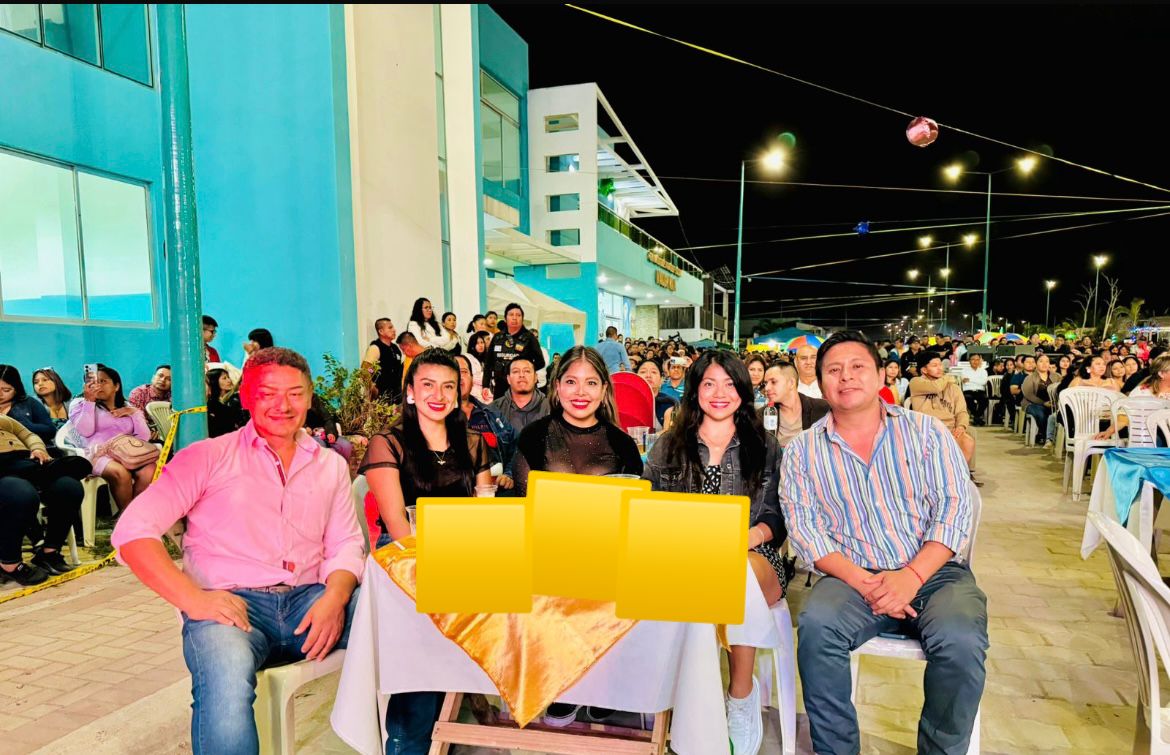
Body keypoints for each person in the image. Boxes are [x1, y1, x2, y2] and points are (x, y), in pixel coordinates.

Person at [112, 347, 364, 755]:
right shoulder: (208, 457)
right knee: (226, 681)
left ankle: (413, 742)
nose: (284, 406)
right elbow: (132, 533)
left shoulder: (329, 465)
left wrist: (336, 598)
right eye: (268, 393)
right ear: (246, 397)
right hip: (231, 608)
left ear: (309, 397)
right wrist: (194, 599)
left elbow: (345, 543)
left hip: (311, 602)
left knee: (399, 617)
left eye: (295, 394)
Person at [779, 331, 985, 755]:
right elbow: (805, 530)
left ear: (880, 376)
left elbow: (955, 509)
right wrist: (868, 583)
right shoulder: (803, 451)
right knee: (817, 628)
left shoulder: (926, 433)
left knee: (961, 641)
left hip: (934, 574)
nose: (846, 377)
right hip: (852, 578)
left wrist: (910, 577)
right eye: (834, 370)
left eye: (857, 367)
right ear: (820, 382)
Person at [642, 350, 786, 755]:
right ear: (695, 391)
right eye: (709, 384)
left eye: (729, 384)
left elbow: (778, 516)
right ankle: (692, 703)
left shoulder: (765, 446)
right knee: (698, 579)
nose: (719, 393)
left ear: (743, 390)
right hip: (686, 560)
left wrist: (747, 537)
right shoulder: (668, 446)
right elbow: (646, 506)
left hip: (755, 558)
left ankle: (740, 696)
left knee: (734, 571)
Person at [360, 349, 492, 753]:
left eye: (448, 386)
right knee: (420, 649)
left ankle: (473, 710)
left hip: (461, 554)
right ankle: (410, 741)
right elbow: (397, 527)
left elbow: (484, 514)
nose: (439, 395)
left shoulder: (472, 442)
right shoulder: (388, 442)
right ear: (411, 392)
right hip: (406, 559)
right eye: (428, 385)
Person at [511, 346, 641, 496]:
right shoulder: (532, 437)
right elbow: (525, 502)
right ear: (558, 386)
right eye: (571, 382)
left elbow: (632, 505)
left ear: (603, 389)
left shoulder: (624, 445)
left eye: (591, 383)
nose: (580, 392)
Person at [0, 414, 89, 583]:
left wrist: (38, 448)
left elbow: (28, 435)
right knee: (22, 494)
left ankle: (49, 553)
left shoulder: (3, 419)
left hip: (22, 459)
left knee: (69, 487)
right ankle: (9, 564)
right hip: (4, 473)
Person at [69, 364, 154, 511]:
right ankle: (127, 518)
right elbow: (85, 431)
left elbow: (144, 438)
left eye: (103, 381)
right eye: (93, 382)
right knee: (121, 473)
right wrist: (89, 402)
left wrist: (135, 413)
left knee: (149, 471)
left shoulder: (127, 406)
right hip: (98, 454)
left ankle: (135, 514)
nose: (97, 386)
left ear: (116, 386)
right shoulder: (80, 404)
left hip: (128, 453)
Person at [908, 354, 976, 465]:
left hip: (950, 429)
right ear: (924, 370)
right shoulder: (916, 382)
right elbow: (936, 387)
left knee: (967, 440)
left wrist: (961, 426)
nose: (940, 368)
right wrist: (948, 377)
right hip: (926, 429)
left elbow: (962, 411)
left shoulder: (953, 387)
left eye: (940, 365)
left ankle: (960, 472)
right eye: (934, 365)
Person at [481, 303, 545, 399]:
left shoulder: (529, 338)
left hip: (522, 386)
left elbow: (540, 362)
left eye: (518, 315)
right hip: (500, 387)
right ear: (505, 318)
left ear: (522, 319)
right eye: (511, 315)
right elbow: (488, 363)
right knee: (499, 408)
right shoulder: (497, 337)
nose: (514, 318)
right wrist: (485, 385)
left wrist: (524, 371)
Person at [762, 361, 830, 447]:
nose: (767, 388)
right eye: (765, 383)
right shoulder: (762, 415)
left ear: (791, 383)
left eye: (773, 382)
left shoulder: (822, 409)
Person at [0, 365, 57, 444]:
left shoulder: (29, 402)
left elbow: (50, 430)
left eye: (6, 390)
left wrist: (20, 426)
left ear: (16, 389)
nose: (0, 394)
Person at [363, 318, 405, 404]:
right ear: (381, 331)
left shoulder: (395, 348)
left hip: (396, 396)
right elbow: (366, 369)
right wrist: (372, 388)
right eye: (390, 328)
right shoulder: (375, 348)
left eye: (393, 327)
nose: (394, 330)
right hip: (380, 398)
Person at [1022, 354, 1057, 446]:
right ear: (1036, 364)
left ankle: (1055, 437)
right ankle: (1047, 437)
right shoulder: (1030, 378)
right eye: (1041, 361)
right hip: (1033, 403)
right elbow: (1028, 394)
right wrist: (1043, 403)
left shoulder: (1057, 376)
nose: (1044, 364)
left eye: (1047, 361)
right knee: (1041, 413)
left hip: (1052, 404)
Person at [635, 358, 678, 432]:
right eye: (643, 372)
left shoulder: (668, 403)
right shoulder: (626, 401)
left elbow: (667, 432)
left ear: (661, 379)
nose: (648, 375)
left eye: (654, 372)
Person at [206, 368, 248, 438]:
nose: (229, 380)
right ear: (215, 382)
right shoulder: (212, 405)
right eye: (224, 378)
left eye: (228, 377)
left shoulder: (234, 398)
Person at [960, 354, 989, 425]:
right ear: (969, 361)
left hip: (980, 391)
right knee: (968, 399)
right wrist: (978, 380)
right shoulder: (964, 371)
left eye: (977, 359)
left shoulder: (983, 371)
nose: (975, 361)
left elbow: (983, 382)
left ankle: (976, 417)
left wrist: (970, 379)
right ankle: (978, 418)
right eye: (973, 359)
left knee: (985, 399)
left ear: (979, 361)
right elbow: (966, 383)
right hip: (968, 391)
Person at [465, 330, 494, 402]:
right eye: (477, 343)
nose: (481, 345)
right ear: (472, 346)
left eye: (482, 342)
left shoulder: (486, 358)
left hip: (487, 389)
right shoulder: (468, 358)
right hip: (473, 390)